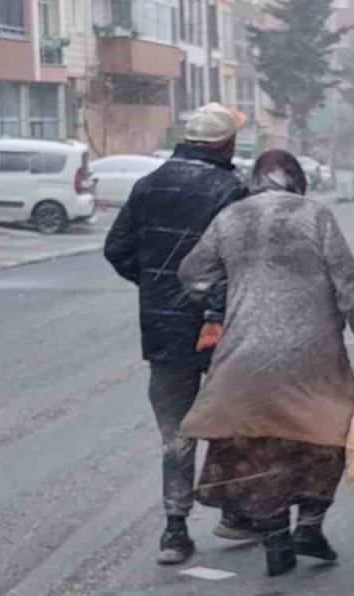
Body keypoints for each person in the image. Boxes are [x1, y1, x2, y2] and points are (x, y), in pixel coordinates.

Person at [177, 150, 354, 577]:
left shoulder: (230, 218)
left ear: (255, 180)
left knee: (261, 447)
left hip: (245, 355)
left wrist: (225, 296)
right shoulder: (315, 217)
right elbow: (349, 286)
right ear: (297, 180)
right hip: (312, 357)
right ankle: (310, 527)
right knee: (326, 438)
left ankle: (277, 537)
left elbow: (192, 273)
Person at [103, 103, 250, 565]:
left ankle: (175, 529)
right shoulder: (230, 190)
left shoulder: (148, 186)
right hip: (220, 328)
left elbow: (117, 249)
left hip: (164, 328)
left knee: (176, 432)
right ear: (226, 144)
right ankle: (234, 513)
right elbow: (239, 263)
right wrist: (215, 304)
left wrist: (154, 283)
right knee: (230, 422)